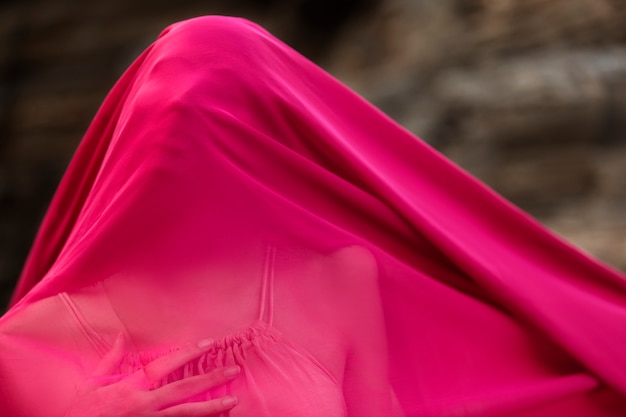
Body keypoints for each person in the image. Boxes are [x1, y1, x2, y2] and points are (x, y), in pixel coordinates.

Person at [1, 15, 625, 417]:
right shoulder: (16, 350)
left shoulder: (335, 282)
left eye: (224, 123)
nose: (192, 146)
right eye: (171, 127)